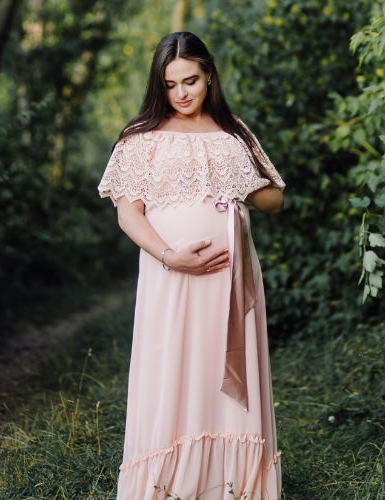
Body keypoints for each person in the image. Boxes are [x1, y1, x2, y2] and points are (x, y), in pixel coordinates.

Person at [97, 31, 286, 500]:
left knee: (223, 377)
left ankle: (233, 486)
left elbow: (274, 199)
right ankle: (167, 483)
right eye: (170, 84)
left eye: (191, 81)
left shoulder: (234, 132)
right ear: (158, 86)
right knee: (174, 372)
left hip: (229, 277)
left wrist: (239, 175)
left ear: (209, 77)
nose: (182, 93)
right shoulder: (140, 139)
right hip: (170, 278)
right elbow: (128, 213)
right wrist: (169, 256)